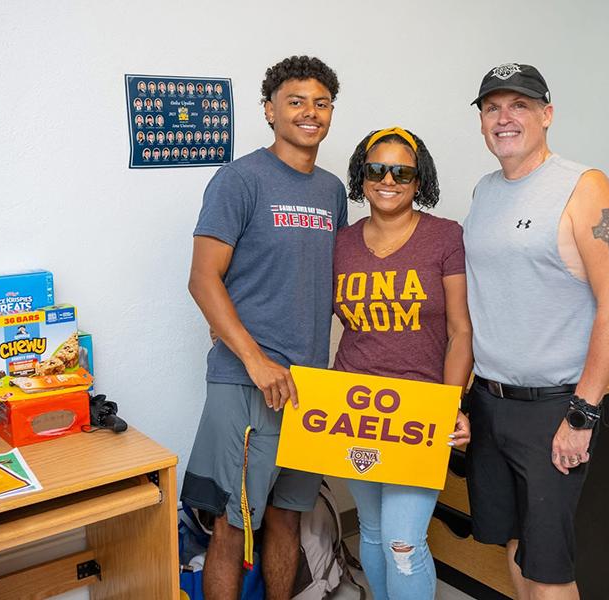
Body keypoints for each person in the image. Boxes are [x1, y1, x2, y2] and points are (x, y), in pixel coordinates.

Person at [462, 63, 609, 600]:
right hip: (490, 401)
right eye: (492, 107)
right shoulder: (484, 191)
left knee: (550, 567)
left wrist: (582, 413)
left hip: (554, 408)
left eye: (519, 105)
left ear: (547, 114)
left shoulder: (585, 187)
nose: (504, 118)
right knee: (514, 543)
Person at [180, 56, 346, 600]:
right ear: (270, 110)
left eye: (321, 103)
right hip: (247, 383)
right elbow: (204, 280)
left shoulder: (331, 190)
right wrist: (254, 359)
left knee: (287, 517)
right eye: (296, 101)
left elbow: (331, 280)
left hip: (309, 387)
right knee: (233, 525)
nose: (309, 113)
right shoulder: (240, 178)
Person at [333, 127, 472, 600]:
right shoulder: (340, 244)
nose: (388, 179)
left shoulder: (445, 237)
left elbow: (461, 332)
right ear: (362, 176)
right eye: (376, 169)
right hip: (353, 409)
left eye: (402, 171)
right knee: (371, 531)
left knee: (403, 541)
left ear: (419, 180)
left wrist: (451, 405)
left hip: (418, 412)